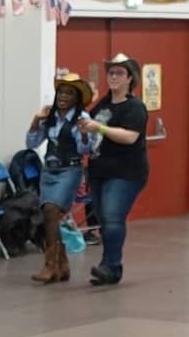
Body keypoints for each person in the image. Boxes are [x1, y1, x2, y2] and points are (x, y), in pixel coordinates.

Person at [79, 53, 148, 286]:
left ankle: (110, 266)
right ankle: (109, 267)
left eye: (119, 72)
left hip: (126, 172)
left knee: (112, 217)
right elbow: (90, 123)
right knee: (104, 219)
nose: (113, 76)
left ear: (130, 78)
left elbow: (129, 137)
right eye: (111, 72)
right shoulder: (103, 104)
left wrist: (99, 128)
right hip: (100, 170)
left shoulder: (135, 107)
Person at [26, 72, 95, 284]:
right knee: (50, 215)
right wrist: (36, 120)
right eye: (61, 92)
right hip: (49, 171)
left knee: (51, 210)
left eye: (70, 93)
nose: (64, 96)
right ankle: (61, 265)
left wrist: (84, 133)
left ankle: (50, 265)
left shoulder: (83, 119)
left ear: (77, 98)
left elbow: (86, 149)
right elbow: (31, 143)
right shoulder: (50, 118)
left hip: (70, 171)